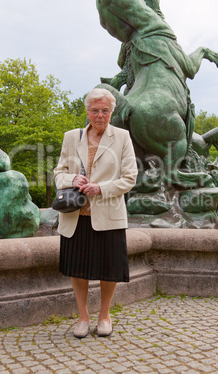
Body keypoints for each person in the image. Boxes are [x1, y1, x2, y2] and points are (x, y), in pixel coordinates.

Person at [54, 88, 138, 338]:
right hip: (75, 216)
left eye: (105, 110)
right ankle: (82, 317)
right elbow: (58, 173)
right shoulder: (71, 137)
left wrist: (100, 188)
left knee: (108, 268)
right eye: (95, 110)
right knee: (76, 268)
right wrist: (72, 178)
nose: (100, 115)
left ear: (112, 112)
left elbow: (130, 178)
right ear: (87, 111)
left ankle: (104, 316)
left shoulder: (122, 137)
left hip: (108, 215)